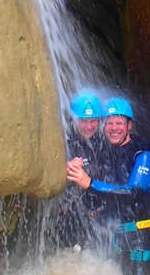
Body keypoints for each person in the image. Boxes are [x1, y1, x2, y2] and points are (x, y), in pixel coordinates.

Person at [67, 97, 150, 275]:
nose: (114, 128)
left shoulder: (144, 154)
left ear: (129, 125)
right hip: (112, 238)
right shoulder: (105, 151)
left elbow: (134, 192)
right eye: (109, 123)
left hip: (138, 240)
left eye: (119, 123)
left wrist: (89, 183)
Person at [56, 90, 105, 249]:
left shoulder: (104, 140)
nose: (89, 126)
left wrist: (87, 169)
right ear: (74, 119)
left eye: (93, 121)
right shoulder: (63, 140)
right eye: (83, 121)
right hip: (68, 213)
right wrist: (65, 168)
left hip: (97, 211)